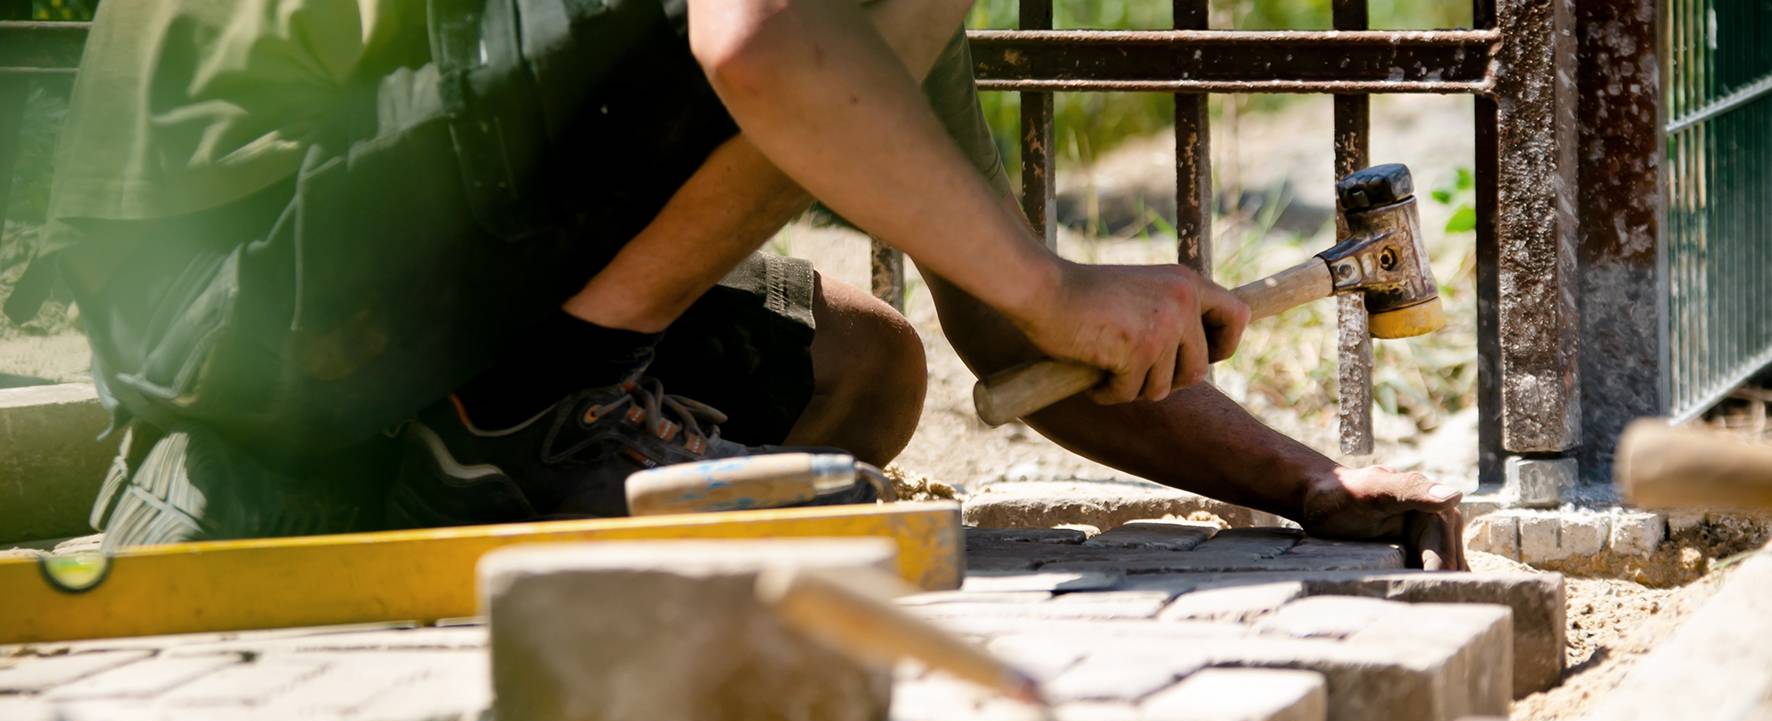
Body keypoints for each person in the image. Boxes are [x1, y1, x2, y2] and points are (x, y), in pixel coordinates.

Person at [20, 0, 1464, 568]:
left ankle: (439, 445)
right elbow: (758, 41)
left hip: (358, 280)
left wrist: (1309, 481)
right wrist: (1054, 279)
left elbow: (994, 323)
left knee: (862, 366)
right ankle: (529, 413)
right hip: (235, 275)